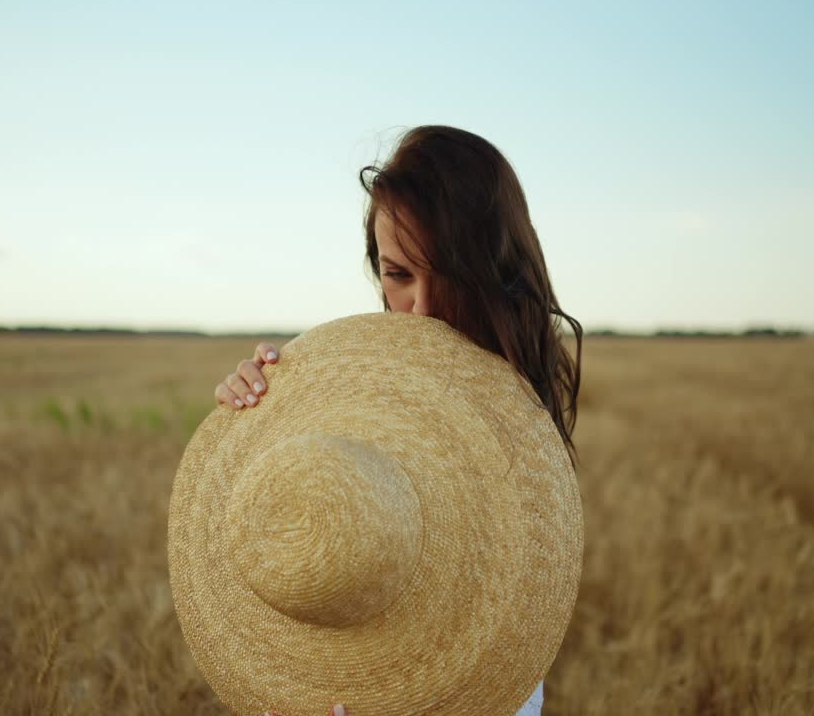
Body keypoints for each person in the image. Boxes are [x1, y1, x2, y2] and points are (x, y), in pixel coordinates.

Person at [212, 125, 582, 716]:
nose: (425, 309)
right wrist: (261, 416)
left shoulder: (525, 441)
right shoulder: (351, 395)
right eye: (398, 275)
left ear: (495, 267)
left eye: (450, 273)